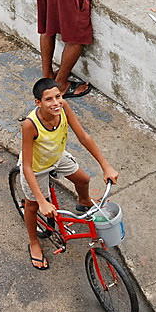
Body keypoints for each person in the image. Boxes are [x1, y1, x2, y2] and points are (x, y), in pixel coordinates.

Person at [19, 77, 119, 270]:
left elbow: (83, 136)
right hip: (36, 167)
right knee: (31, 206)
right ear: (37, 102)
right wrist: (41, 200)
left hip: (56, 156)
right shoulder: (30, 125)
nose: (56, 103)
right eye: (49, 99)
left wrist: (105, 166)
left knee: (83, 179)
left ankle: (83, 203)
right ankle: (33, 242)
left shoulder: (63, 107)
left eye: (58, 96)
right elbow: (27, 167)